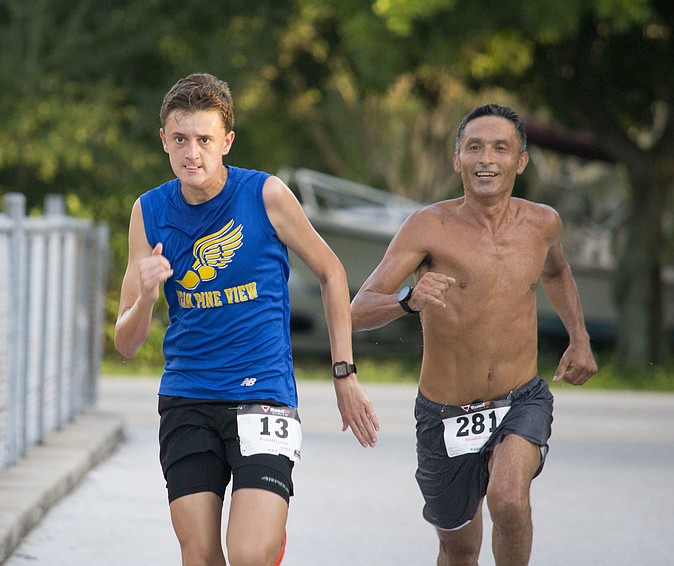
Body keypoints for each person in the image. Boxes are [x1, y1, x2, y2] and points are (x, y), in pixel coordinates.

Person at [114, 72, 379, 566]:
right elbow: (126, 343)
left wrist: (344, 374)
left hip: (263, 396)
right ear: (164, 142)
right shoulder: (148, 212)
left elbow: (332, 272)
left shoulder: (266, 196)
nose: (192, 153)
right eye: (180, 140)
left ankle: (268, 539)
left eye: (204, 140)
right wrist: (148, 294)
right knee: (200, 556)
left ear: (226, 142)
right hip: (188, 397)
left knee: (249, 554)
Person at [351, 104, 597, 566]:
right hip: (444, 413)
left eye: (500, 148)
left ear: (520, 161)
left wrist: (578, 338)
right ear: (457, 158)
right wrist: (408, 300)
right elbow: (356, 311)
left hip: (520, 398)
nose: (487, 159)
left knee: (507, 499)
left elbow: (558, 273)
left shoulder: (542, 224)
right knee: (459, 550)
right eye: (474, 147)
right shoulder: (428, 227)